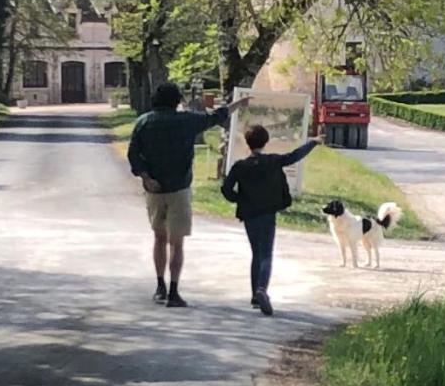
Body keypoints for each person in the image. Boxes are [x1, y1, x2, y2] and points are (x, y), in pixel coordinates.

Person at [128, 82, 250, 308]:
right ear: (176, 101)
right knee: (177, 242)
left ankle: (159, 287)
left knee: (159, 238)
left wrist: (145, 177)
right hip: (180, 188)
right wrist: (239, 104)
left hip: (154, 189)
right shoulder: (186, 120)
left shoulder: (143, 122)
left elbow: (133, 154)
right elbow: (215, 116)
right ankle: (174, 290)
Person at [220, 125, 320, 316]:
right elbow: (293, 156)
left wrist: (239, 199)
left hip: (249, 214)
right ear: (265, 142)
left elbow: (226, 189)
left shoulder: (239, 166)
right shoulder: (273, 161)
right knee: (267, 254)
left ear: (248, 144)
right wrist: (312, 143)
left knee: (256, 254)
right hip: (268, 213)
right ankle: (262, 290)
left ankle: (254, 295)